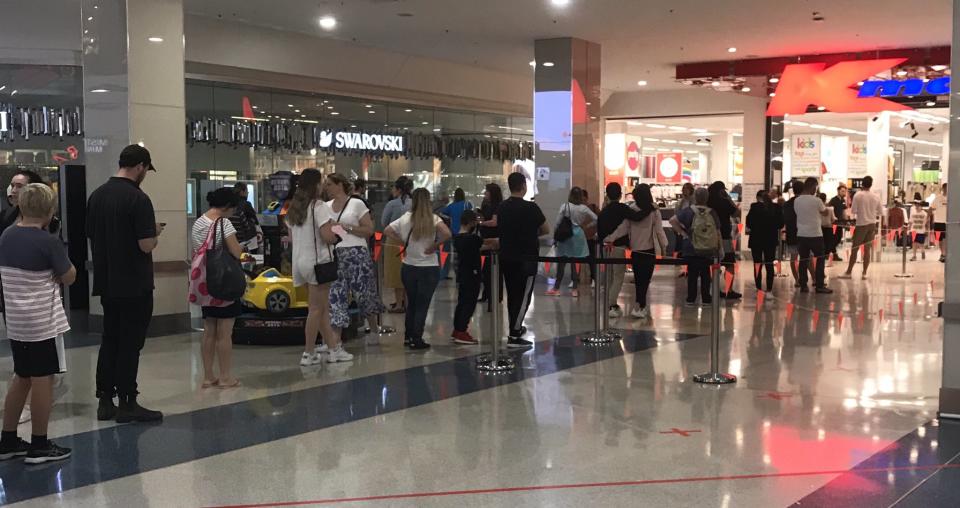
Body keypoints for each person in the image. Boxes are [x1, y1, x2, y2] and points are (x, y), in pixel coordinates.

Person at [86, 145, 164, 423]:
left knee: (111, 340)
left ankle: (105, 401)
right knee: (131, 344)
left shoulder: (97, 196)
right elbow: (145, 246)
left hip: (107, 282)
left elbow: (92, 235)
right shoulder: (138, 199)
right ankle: (128, 402)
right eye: (146, 170)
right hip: (135, 284)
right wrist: (155, 234)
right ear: (140, 166)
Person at [0, 184, 74, 464]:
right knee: (44, 381)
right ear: (51, 210)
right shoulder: (48, 242)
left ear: (20, 206)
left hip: (17, 323)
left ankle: (7, 439)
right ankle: (40, 444)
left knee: (21, 377)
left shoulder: (7, 236)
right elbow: (69, 276)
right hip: (42, 323)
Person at [286, 169, 352, 366]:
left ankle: (333, 349)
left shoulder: (295, 208)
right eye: (322, 181)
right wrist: (340, 232)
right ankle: (309, 353)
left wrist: (334, 226)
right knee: (316, 309)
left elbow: (293, 236)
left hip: (300, 262)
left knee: (321, 309)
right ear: (315, 184)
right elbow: (328, 236)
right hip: (318, 263)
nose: (324, 185)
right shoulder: (319, 206)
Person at [190, 188, 244, 388]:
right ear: (228, 206)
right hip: (224, 282)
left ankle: (207, 376)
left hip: (206, 283)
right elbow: (236, 252)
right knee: (225, 332)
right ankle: (225, 377)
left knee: (209, 329)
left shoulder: (199, 222)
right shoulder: (224, 223)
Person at [385, 188, 452, 350]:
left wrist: (402, 241)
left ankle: (408, 337)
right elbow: (447, 234)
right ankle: (417, 338)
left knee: (412, 303)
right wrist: (435, 245)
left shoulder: (405, 218)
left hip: (408, 266)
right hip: (428, 267)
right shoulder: (433, 219)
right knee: (422, 305)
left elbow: (387, 230)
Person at [325, 173, 383, 337]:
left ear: (339, 185)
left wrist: (346, 227)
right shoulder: (326, 207)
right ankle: (335, 340)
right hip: (335, 254)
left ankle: (373, 329)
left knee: (364, 293)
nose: (326, 188)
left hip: (357, 253)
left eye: (329, 184)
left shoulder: (356, 204)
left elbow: (368, 230)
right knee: (336, 296)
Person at [496, 173, 549, 347]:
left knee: (512, 293)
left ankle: (515, 326)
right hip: (527, 258)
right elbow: (545, 229)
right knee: (523, 296)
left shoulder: (502, 207)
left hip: (506, 256)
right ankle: (514, 333)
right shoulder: (531, 208)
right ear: (524, 185)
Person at [604, 184, 667, 319]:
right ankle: (640, 305)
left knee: (638, 280)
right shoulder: (654, 211)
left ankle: (639, 305)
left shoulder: (631, 209)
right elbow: (659, 231)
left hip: (636, 251)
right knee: (645, 280)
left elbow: (623, 228)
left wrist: (609, 238)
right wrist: (664, 247)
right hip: (649, 250)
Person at [597, 182, 653, 317]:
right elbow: (637, 217)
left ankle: (609, 303)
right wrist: (650, 208)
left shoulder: (603, 211)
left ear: (607, 194)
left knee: (609, 277)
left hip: (604, 246)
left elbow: (599, 230)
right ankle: (611, 304)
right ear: (620, 194)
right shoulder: (622, 208)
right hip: (617, 247)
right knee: (618, 277)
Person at [673, 187, 720, 306]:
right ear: (707, 198)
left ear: (695, 197)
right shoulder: (712, 212)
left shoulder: (689, 211)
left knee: (692, 274)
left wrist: (683, 233)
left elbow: (672, 220)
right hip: (708, 247)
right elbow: (718, 231)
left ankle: (691, 298)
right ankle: (706, 298)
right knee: (705, 273)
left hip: (691, 246)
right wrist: (719, 247)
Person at [546, 187, 596, 297]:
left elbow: (558, 222)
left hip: (565, 235)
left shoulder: (565, 206)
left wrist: (555, 236)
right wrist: (587, 226)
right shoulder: (584, 208)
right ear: (581, 197)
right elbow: (596, 219)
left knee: (561, 263)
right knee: (575, 263)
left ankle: (556, 288)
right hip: (578, 235)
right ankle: (574, 289)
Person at [451, 210, 484, 345]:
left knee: (462, 301)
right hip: (472, 273)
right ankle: (462, 330)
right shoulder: (473, 239)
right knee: (469, 302)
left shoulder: (457, 238)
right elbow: (482, 244)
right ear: (471, 222)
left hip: (462, 274)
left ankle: (457, 328)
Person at [841, 176, 884, 279]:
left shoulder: (858, 195)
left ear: (862, 184)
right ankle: (864, 273)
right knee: (867, 250)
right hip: (872, 224)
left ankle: (849, 272)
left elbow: (853, 211)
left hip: (861, 224)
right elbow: (880, 212)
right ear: (871, 184)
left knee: (855, 249)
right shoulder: (876, 196)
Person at [794, 178, 832, 294]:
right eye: (816, 188)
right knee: (820, 259)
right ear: (813, 187)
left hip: (801, 234)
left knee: (803, 260)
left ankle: (803, 286)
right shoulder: (817, 201)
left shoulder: (797, 200)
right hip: (816, 234)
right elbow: (825, 212)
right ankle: (819, 286)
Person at [381, 177, 413, 313]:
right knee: (408, 271)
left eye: (394, 187)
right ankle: (406, 302)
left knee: (395, 273)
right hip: (410, 240)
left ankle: (399, 304)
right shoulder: (413, 203)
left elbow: (384, 222)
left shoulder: (392, 204)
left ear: (398, 189)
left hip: (394, 240)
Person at [707, 181, 741, 299]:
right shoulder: (724, 201)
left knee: (713, 264)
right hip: (724, 237)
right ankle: (728, 290)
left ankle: (713, 290)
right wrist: (728, 198)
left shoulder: (708, 202)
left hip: (709, 237)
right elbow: (737, 213)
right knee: (729, 264)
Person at [746, 189, 783, 292]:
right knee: (769, 263)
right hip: (770, 239)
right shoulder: (776, 208)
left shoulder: (754, 207)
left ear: (758, 198)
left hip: (756, 239)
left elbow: (749, 223)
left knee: (757, 263)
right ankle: (769, 288)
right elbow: (781, 224)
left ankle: (758, 287)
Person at [478, 183, 504, 304]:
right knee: (486, 270)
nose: (485, 194)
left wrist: (482, 224)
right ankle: (486, 293)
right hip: (485, 238)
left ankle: (496, 295)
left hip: (493, 240)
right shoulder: (486, 205)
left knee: (494, 269)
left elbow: (494, 222)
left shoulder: (498, 206)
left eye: (487, 192)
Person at [0, 170, 44, 235]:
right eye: (12, 186)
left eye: (19, 186)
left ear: (34, 190)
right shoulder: (5, 214)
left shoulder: (45, 216)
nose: (13, 191)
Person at [782, 180, 806, 286]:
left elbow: (785, 218)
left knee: (793, 258)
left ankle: (797, 280)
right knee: (806, 258)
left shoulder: (787, 204)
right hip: (804, 232)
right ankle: (808, 279)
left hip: (791, 233)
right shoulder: (804, 202)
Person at [228, 182, 262, 253]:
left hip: (232, 238)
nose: (247, 194)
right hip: (247, 239)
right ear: (242, 192)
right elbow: (256, 220)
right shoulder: (246, 204)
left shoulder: (230, 204)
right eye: (247, 192)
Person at [828, 184, 848, 261]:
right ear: (838, 191)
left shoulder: (843, 201)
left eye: (845, 192)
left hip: (840, 223)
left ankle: (832, 253)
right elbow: (830, 210)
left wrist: (846, 221)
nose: (844, 193)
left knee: (838, 239)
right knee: (834, 239)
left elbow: (844, 211)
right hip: (834, 224)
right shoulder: (833, 200)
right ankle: (832, 254)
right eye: (842, 191)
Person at [910, 195, 930, 261]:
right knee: (914, 243)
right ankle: (914, 255)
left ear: (921, 206)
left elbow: (927, 223)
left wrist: (927, 230)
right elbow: (911, 221)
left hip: (921, 230)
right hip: (914, 230)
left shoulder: (925, 214)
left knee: (921, 244)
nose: (917, 207)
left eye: (918, 206)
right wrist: (909, 229)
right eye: (916, 206)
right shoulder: (913, 213)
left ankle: (923, 251)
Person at [932, 183, 948, 263]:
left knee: (946, 238)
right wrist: (927, 219)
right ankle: (942, 254)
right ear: (942, 189)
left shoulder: (952, 198)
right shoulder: (937, 198)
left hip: (947, 222)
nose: (946, 190)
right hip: (938, 222)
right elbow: (931, 208)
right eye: (944, 188)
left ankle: (945, 254)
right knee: (940, 239)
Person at [818, 193, 837, 261]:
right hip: (829, 228)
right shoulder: (830, 209)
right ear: (825, 199)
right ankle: (827, 256)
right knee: (828, 243)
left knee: (821, 242)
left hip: (819, 228)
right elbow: (833, 219)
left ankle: (821, 256)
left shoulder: (817, 209)